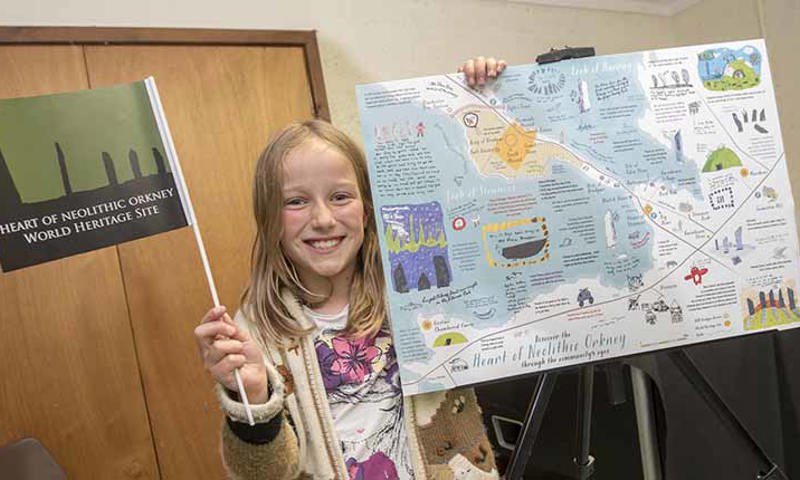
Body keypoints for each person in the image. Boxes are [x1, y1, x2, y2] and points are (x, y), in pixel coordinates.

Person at [195, 119, 499, 479]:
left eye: (340, 197)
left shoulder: (419, 285)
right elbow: (262, 474)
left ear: (367, 209)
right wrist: (255, 402)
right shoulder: (254, 333)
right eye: (296, 201)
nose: (323, 219)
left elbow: (474, 194)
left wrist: (481, 96)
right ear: (270, 220)